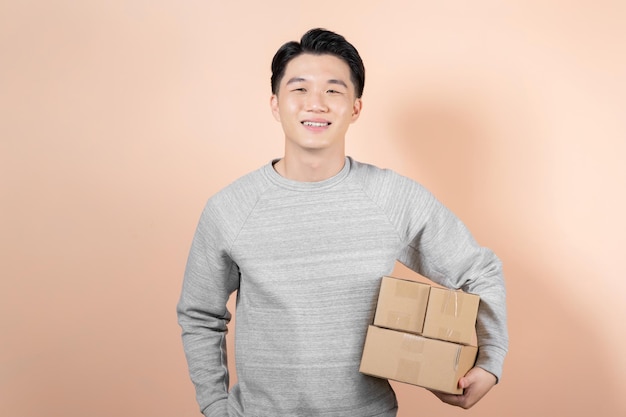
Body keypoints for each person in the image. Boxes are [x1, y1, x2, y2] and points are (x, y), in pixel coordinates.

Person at [177, 28, 508, 417]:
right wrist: (215, 407)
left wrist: (490, 361)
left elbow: (479, 270)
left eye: (333, 91)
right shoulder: (230, 208)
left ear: (355, 108)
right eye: (299, 89)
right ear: (275, 104)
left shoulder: (392, 197)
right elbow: (200, 314)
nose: (315, 104)